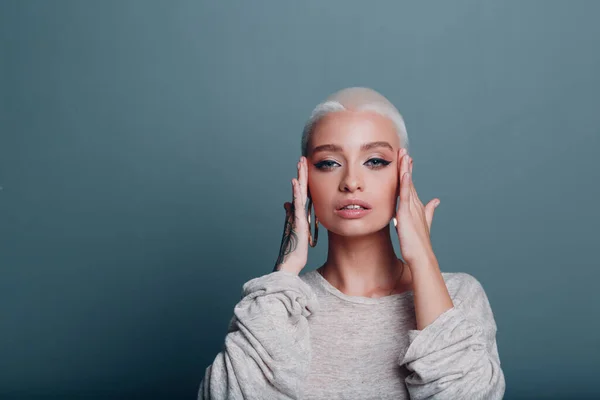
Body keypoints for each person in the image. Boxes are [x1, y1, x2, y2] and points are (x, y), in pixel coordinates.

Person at [198, 87, 505, 399]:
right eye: (329, 163)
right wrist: (284, 271)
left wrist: (423, 260)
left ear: (403, 174)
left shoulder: (458, 296)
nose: (351, 182)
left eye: (374, 160)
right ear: (306, 181)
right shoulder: (280, 306)